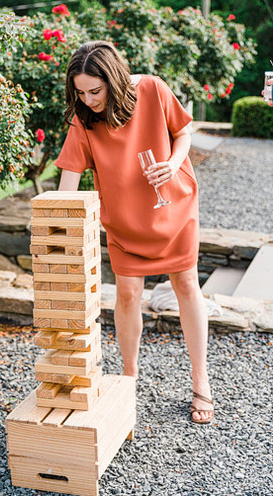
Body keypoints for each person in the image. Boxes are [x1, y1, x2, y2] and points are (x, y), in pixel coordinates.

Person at [54, 41, 214, 424]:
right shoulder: (84, 119)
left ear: (114, 80)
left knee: (187, 285)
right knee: (127, 293)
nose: (88, 99)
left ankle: (201, 380)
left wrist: (174, 164)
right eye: (80, 91)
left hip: (174, 206)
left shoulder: (152, 89)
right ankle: (129, 377)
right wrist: (58, 228)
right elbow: (68, 181)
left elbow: (184, 133)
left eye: (95, 90)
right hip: (125, 222)